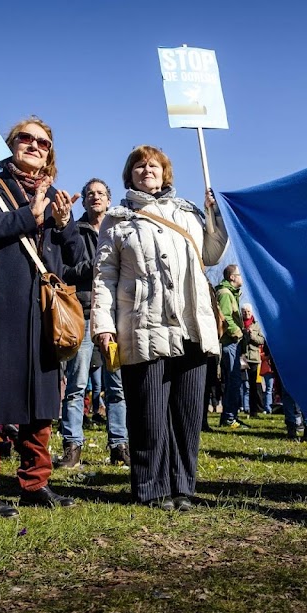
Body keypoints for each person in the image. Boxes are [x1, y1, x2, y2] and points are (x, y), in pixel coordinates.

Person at [0, 117, 85, 518]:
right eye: (25, 138)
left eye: (43, 142)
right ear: (10, 145)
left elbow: (77, 266)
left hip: (41, 310)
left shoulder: (57, 198)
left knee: (42, 399)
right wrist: (30, 216)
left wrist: (64, 227)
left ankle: (35, 482)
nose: (34, 145)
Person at [91, 145, 227, 510]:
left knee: (187, 412)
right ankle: (151, 488)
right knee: (148, 411)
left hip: (191, 325)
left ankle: (183, 488)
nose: (146, 169)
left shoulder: (187, 213)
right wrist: (103, 326)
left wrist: (216, 218)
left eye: (153, 165)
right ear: (129, 175)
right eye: (138, 165)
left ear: (165, 174)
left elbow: (211, 255)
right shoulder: (118, 219)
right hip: (143, 323)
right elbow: (104, 276)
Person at [58, 178, 129, 469]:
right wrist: (98, 266)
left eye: (100, 193)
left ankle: (119, 445)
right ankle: (72, 447)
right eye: (90, 194)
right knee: (76, 384)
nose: (95, 197)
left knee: (117, 386)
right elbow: (66, 269)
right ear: (84, 202)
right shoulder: (74, 230)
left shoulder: (121, 228)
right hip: (84, 314)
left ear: (109, 199)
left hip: (117, 315)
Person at [216, 265, 246, 428]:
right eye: (239, 275)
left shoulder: (231, 294)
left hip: (233, 344)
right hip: (230, 344)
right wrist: (237, 332)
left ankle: (231, 415)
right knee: (233, 381)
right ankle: (229, 418)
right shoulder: (225, 294)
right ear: (232, 277)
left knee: (234, 381)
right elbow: (225, 316)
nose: (242, 278)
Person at [240, 304, 266, 417]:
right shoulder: (239, 323)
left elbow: (262, 340)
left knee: (253, 386)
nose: (247, 314)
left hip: (254, 358)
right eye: (245, 312)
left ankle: (254, 411)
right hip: (242, 357)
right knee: (241, 385)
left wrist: (252, 336)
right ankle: (241, 408)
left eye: (249, 312)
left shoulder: (257, 324)